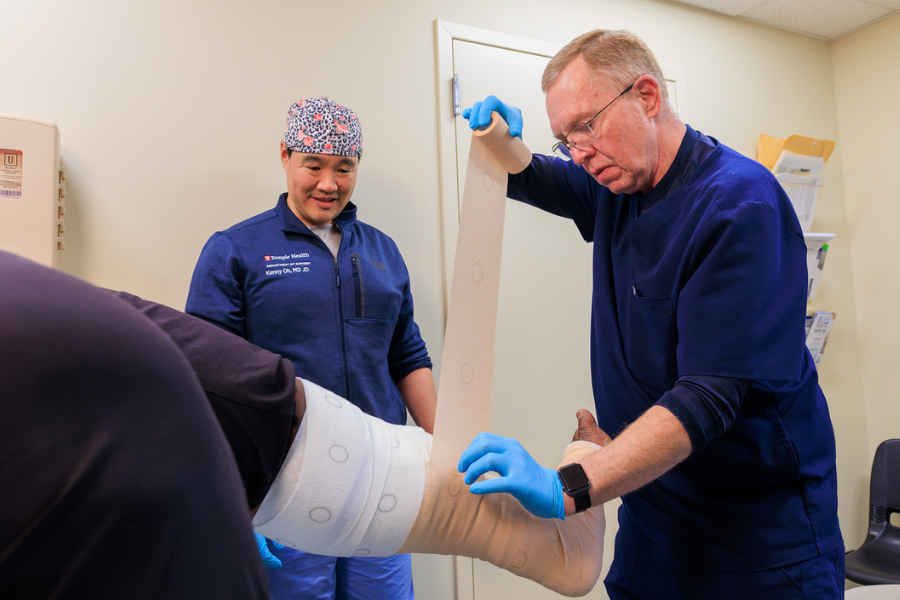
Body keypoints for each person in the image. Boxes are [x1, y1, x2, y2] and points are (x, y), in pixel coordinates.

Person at [457, 29, 844, 599]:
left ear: (646, 96)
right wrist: (501, 141)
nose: (579, 153)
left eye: (586, 126)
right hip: (654, 518)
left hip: (755, 536)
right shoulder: (616, 184)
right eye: (565, 139)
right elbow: (535, 176)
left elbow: (707, 398)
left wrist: (568, 485)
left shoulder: (739, 207)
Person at [186, 96, 436, 600]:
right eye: (313, 165)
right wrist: (231, 489)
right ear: (285, 155)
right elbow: (206, 378)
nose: (329, 183)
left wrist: (448, 451)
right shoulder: (236, 250)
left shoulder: (383, 251)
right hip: (288, 479)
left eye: (344, 168)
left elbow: (407, 356)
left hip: (382, 479)